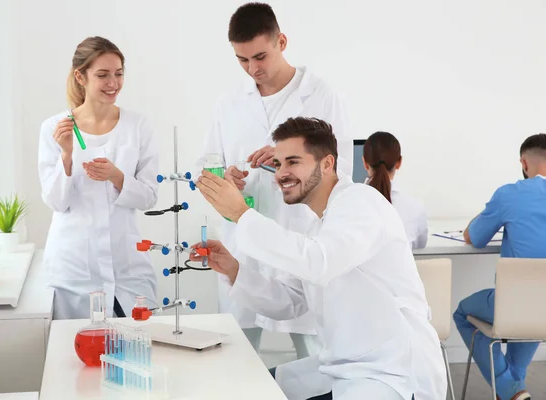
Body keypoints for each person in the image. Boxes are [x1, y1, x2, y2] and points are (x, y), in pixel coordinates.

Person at [193, 117, 446, 399]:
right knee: (249, 389)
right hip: (344, 368)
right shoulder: (318, 223)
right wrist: (234, 270)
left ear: (327, 164)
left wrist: (241, 214)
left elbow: (319, 263)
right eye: (277, 164)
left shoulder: (361, 201)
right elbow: (291, 300)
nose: (280, 174)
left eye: (293, 162)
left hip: (390, 374)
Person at [197, 1, 352, 358]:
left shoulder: (322, 96)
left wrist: (286, 163)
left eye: (260, 57)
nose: (253, 69)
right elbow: (207, 167)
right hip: (245, 243)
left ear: (281, 41)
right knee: (236, 352)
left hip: (300, 240)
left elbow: (340, 174)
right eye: (242, 60)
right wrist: (226, 177)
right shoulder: (228, 103)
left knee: (314, 355)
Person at [38, 36, 159, 320]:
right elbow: (56, 202)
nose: (113, 83)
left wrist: (117, 176)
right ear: (80, 76)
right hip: (75, 269)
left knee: (138, 350)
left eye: (118, 74)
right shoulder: (54, 128)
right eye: (102, 75)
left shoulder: (137, 126)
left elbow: (150, 196)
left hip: (127, 265)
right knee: (78, 358)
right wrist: (66, 156)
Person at [454, 134, 546, 400]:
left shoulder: (509, 194)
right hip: (543, 309)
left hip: (516, 304)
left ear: (524, 164)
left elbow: (474, 237)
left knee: (463, 314)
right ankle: (513, 390)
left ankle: (509, 389)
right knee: (532, 312)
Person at [362, 131, 428, 249]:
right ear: (399, 163)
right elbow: (419, 249)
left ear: (365, 163)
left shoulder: (347, 203)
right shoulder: (415, 207)